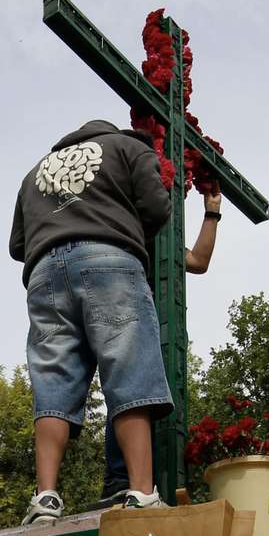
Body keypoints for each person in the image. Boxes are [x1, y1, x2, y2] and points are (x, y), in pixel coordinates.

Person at [10, 120, 177, 524]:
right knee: (128, 367)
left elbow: (18, 245)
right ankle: (141, 492)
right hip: (108, 258)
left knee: (53, 379)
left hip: (43, 273)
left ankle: (45, 498)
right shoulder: (129, 148)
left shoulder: (36, 172)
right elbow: (156, 208)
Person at [95, 190, 226, 504]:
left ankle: (142, 482)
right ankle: (120, 479)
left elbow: (197, 261)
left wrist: (212, 213)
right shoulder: (119, 225)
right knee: (128, 393)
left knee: (149, 397)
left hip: (156, 319)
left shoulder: (159, 235)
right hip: (122, 308)